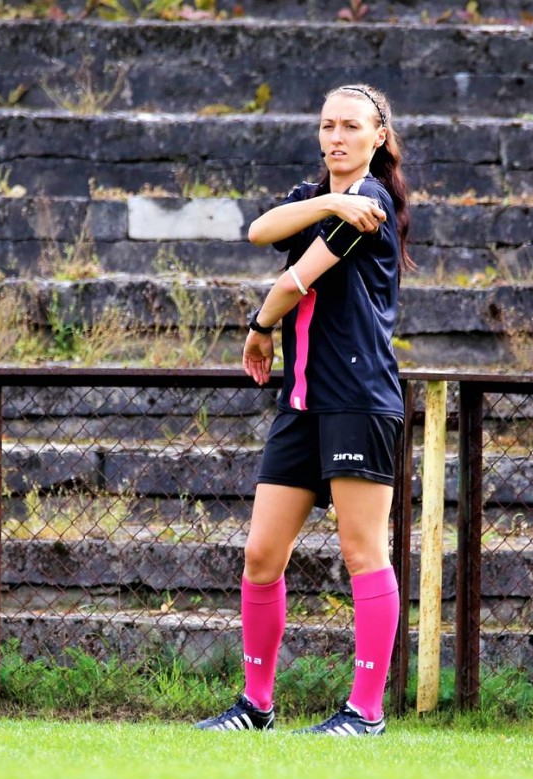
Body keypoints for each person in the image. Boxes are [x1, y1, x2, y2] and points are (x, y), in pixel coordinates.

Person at [196, 83, 414, 736]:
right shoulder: (322, 197)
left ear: (379, 137)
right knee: (262, 555)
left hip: (358, 397)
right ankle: (256, 706)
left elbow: (297, 279)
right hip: (303, 400)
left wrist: (259, 326)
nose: (336, 136)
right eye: (327, 125)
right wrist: (324, 199)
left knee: (363, 553)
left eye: (351, 126)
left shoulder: (371, 201)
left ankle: (365, 713)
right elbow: (259, 230)